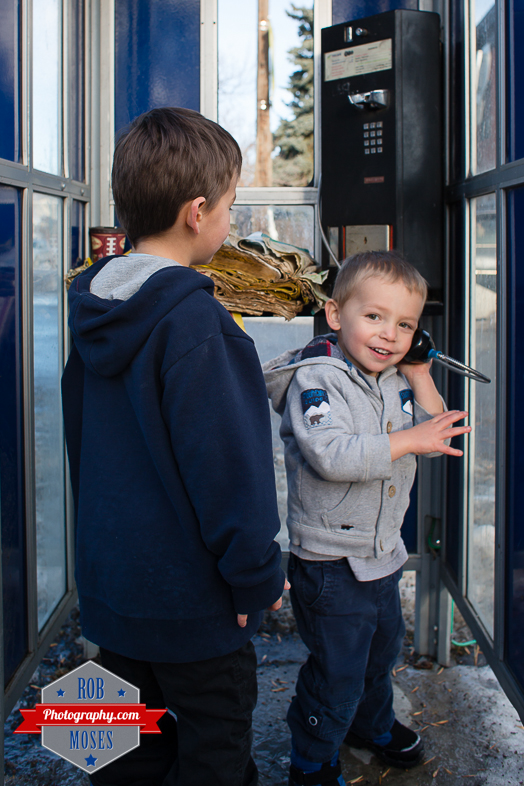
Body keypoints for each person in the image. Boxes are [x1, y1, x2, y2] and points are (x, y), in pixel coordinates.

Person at [62, 107, 287, 786]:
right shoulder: (198, 324)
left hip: (112, 594)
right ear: (197, 212)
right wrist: (255, 577)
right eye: (230, 206)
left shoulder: (92, 306)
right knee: (215, 753)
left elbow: (82, 447)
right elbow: (232, 473)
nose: (230, 221)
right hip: (195, 607)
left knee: (114, 750)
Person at [263, 251, 471, 786]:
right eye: (374, 316)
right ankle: (312, 758)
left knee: (378, 659)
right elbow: (331, 456)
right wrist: (410, 438)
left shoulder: (395, 377)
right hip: (330, 562)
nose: (389, 335)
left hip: (381, 555)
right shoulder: (317, 380)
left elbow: (433, 434)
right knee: (338, 673)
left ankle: (370, 725)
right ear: (336, 315)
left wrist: (420, 373)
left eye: (405, 325)